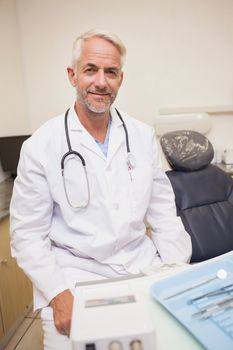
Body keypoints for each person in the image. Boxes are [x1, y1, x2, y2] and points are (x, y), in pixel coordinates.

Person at [10, 29, 192, 349]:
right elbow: (27, 234)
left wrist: (176, 272)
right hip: (76, 277)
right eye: (90, 69)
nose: (101, 82)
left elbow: (164, 214)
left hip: (142, 268)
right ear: (72, 75)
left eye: (110, 72)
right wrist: (58, 294)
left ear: (121, 78)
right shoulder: (41, 145)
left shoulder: (141, 135)